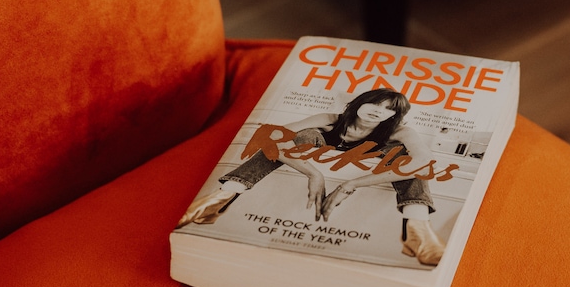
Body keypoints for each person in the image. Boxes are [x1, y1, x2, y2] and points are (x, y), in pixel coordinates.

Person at [176, 88, 447, 265]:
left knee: (406, 158)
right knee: (302, 136)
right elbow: (270, 137)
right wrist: (313, 173)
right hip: (314, 156)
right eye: (375, 103)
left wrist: (352, 184)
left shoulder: (399, 132)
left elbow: (423, 162)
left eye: (389, 109)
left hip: (368, 167)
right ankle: (220, 198)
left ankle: (418, 231)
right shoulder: (330, 118)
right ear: (360, 103)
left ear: (394, 115)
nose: (379, 110)